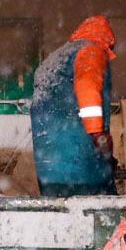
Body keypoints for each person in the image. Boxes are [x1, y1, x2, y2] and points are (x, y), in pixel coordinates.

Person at [29, 15, 118, 196]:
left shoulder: (53, 61)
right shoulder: (91, 50)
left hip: (49, 171)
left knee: (63, 218)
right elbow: (87, 84)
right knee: (103, 220)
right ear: (107, 42)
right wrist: (98, 133)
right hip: (82, 168)